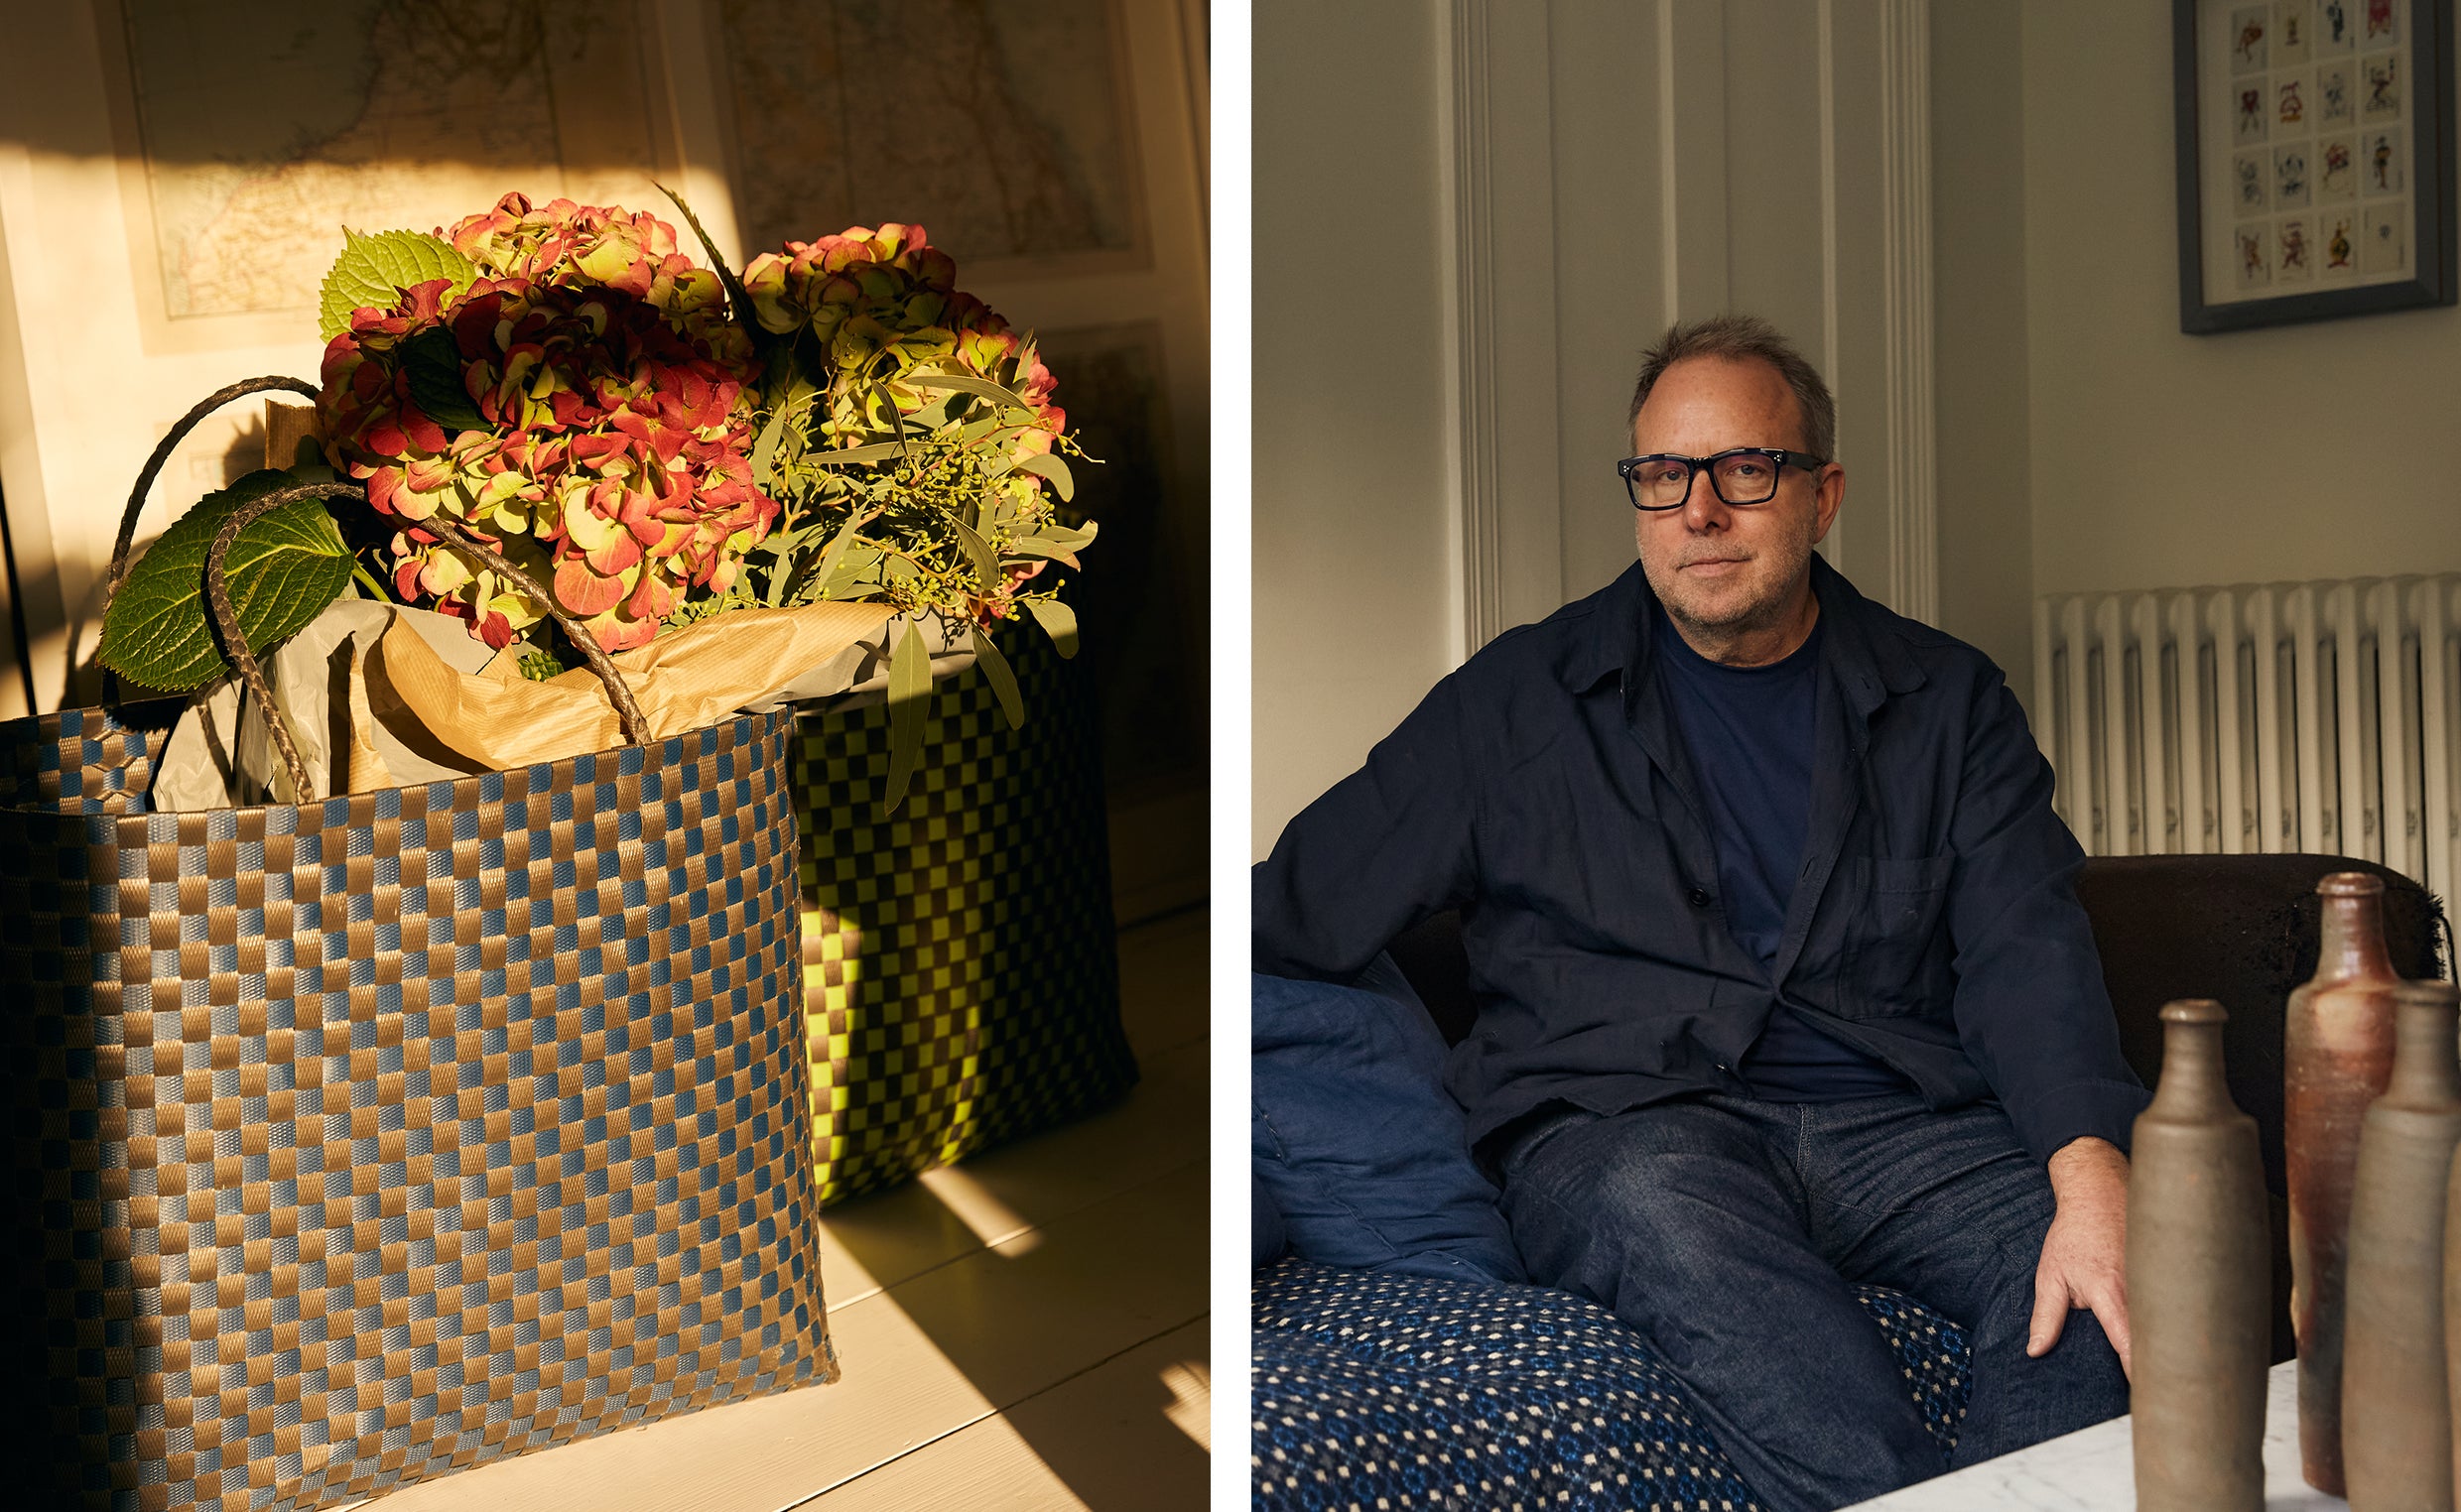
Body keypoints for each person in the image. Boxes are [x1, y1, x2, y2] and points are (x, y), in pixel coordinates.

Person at [1251, 315, 2142, 1512]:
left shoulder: (1945, 700)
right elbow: (1297, 907)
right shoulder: (1517, 701)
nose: (1699, 514)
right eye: (1663, 476)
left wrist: (2089, 1177)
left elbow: (2023, 951)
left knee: (2106, 1260)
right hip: (1624, 1128)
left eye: (1744, 470)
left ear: (1820, 496)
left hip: (1899, 1128)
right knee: (1666, 1209)